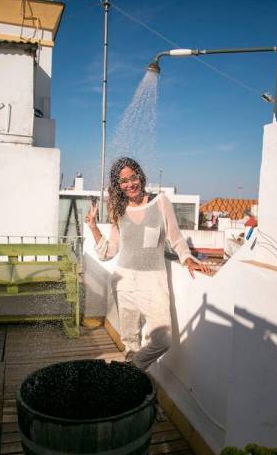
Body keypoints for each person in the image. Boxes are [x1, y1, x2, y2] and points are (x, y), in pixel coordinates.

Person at [85, 157, 210, 370]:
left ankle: (129, 370)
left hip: (154, 282)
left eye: (132, 177)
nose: (129, 184)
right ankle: (131, 383)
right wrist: (93, 227)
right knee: (130, 343)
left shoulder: (160, 202)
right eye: (122, 181)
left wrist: (188, 258)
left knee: (163, 340)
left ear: (140, 177)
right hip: (124, 283)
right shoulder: (119, 210)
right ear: (118, 186)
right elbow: (109, 252)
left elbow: (176, 238)